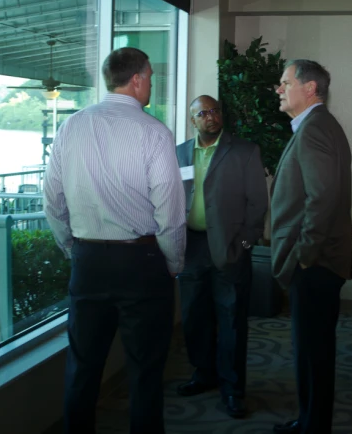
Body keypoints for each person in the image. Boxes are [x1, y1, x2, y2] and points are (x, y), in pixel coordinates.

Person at [44, 47, 186, 434]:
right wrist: (173, 263)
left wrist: (73, 248)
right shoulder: (154, 132)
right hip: (142, 265)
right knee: (144, 369)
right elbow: (170, 213)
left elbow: (52, 200)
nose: (152, 83)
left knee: (83, 366)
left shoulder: (71, 126)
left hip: (88, 262)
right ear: (137, 79)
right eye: (151, 76)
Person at [269, 60, 352, 434]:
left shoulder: (315, 128)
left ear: (310, 89)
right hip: (320, 261)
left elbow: (321, 198)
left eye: (286, 82)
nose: (279, 88)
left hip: (315, 264)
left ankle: (312, 425)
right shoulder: (317, 125)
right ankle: (310, 420)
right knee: (313, 350)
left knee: (312, 350)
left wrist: (304, 254)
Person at [175, 95, 268, 418]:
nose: (210, 116)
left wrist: (244, 243)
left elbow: (258, 203)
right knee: (193, 317)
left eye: (215, 110)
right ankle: (204, 374)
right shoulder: (180, 153)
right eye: (202, 113)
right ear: (193, 120)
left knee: (231, 319)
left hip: (229, 246)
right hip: (191, 247)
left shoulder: (244, 151)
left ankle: (233, 389)